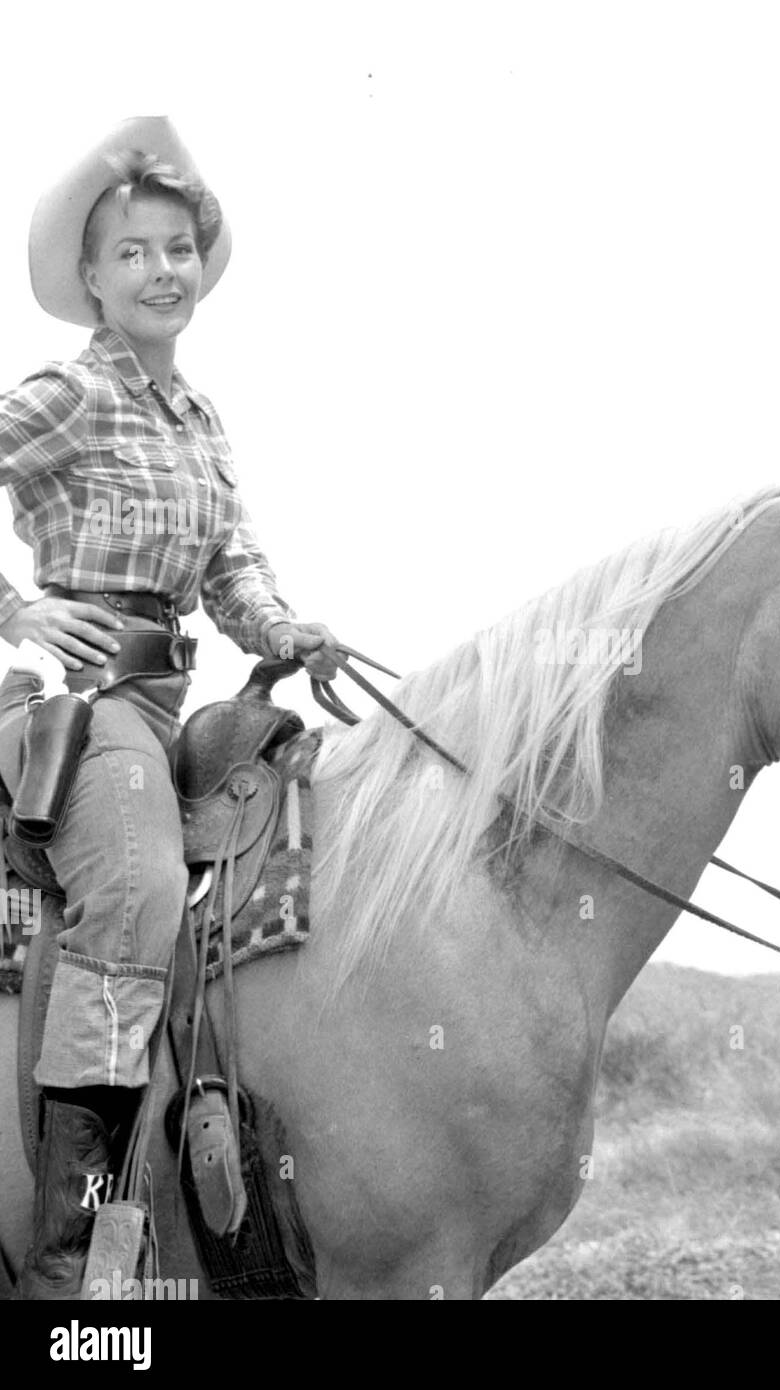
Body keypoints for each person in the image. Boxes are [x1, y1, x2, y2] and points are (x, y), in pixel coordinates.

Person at [0, 117, 340, 1299]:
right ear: (91, 279)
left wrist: (285, 627)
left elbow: (234, 567)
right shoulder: (68, 392)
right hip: (85, 698)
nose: (162, 270)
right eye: (132, 252)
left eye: (178, 248)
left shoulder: (200, 420)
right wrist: (14, 611)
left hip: (172, 691)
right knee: (140, 889)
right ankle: (73, 1256)